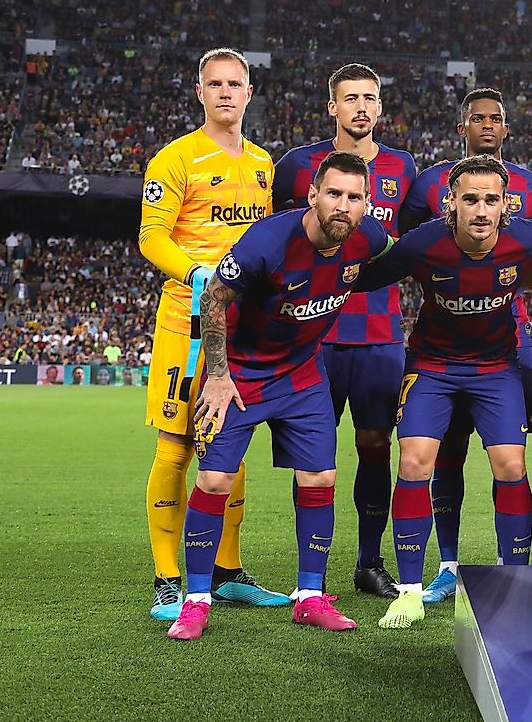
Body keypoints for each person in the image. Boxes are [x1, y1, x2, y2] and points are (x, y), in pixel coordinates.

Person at [167, 151, 391, 640]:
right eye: (333, 193)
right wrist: (219, 376)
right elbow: (212, 297)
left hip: (303, 374)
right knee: (214, 481)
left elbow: (400, 257)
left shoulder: (368, 239)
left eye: (355, 198)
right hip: (240, 375)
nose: (343, 206)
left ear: (366, 204)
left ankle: (309, 597)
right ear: (313, 195)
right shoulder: (268, 241)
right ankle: (196, 600)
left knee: (320, 474)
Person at [354, 154, 532, 628]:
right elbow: (365, 275)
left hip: (496, 368)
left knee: (511, 464)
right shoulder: (424, 243)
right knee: (414, 460)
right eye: (470, 198)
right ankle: (408, 592)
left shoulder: (529, 238)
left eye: (492, 199)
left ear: (507, 204)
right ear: (451, 202)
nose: (481, 209)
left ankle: (515, 582)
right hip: (433, 366)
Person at [138, 47, 287, 621]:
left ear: (249, 93)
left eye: (235, 84)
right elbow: (152, 238)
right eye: (215, 84)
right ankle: (168, 577)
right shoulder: (175, 159)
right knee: (176, 445)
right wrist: (198, 273)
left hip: (243, 329)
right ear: (199, 92)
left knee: (232, 442)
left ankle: (227, 571)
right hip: (189, 323)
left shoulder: (262, 164)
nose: (226, 92)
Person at [272, 63, 418, 599]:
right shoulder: (296, 167)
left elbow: (412, 246)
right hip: (312, 336)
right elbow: (275, 238)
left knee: (376, 444)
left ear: (380, 108)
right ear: (332, 106)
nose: (361, 107)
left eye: (370, 98)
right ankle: (309, 572)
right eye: (350, 98)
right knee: (313, 455)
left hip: (379, 336)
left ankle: (368, 560)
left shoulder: (404, 169)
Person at [401, 87, 532, 604]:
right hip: (438, 355)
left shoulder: (531, 191)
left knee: (509, 461)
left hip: (506, 347)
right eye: (477, 118)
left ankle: (516, 579)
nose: (487, 125)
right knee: (442, 456)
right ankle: (443, 566)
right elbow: (394, 255)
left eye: (496, 118)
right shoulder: (429, 191)